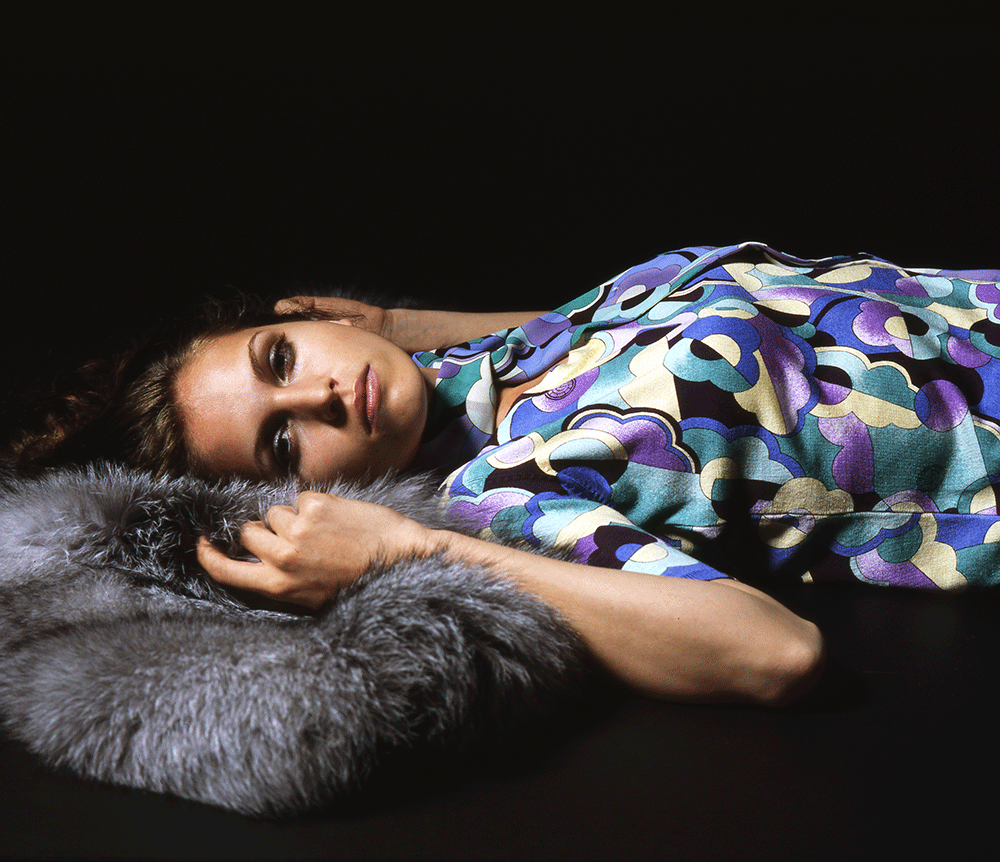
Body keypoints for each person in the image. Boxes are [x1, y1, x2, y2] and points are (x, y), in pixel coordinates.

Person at [12, 242, 1000, 705]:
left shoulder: (470, 365)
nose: (321, 395)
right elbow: (774, 653)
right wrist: (404, 550)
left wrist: (398, 326)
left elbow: (609, 330)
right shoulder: (507, 495)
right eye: (283, 442)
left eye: (281, 357)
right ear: (296, 491)